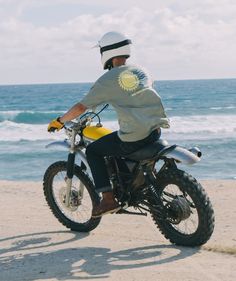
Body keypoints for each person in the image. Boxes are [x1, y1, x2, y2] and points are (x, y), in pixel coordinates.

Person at [48, 31, 170, 218]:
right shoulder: (141, 71)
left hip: (134, 136)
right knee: (115, 144)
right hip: (154, 131)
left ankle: (108, 199)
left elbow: (81, 107)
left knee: (94, 151)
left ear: (106, 53)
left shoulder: (108, 80)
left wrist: (59, 121)